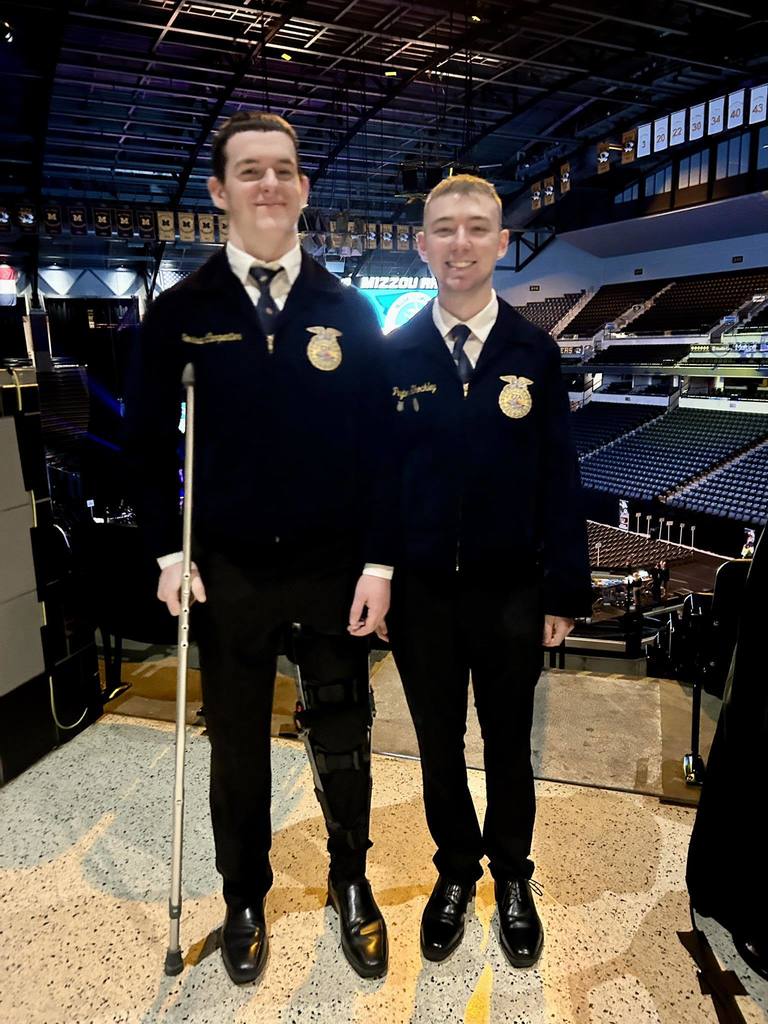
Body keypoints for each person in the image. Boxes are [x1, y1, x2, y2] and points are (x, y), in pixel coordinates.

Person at [124, 111, 393, 985]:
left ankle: (352, 880)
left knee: (345, 736)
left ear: (305, 189)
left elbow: (381, 448)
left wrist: (380, 563)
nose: (269, 184)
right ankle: (243, 893)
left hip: (330, 567)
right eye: (249, 171)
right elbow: (145, 446)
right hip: (228, 568)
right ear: (219, 192)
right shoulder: (180, 313)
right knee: (236, 745)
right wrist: (169, 551)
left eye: (283, 170)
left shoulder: (347, 309)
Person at [380, 175, 592, 968]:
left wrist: (563, 588)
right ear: (422, 244)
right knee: (438, 745)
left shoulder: (534, 353)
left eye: (477, 229)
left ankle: (512, 876)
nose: (460, 243)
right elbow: (377, 481)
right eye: (444, 229)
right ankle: (454, 872)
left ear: (503, 244)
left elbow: (559, 477)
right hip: (423, 595)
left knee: (508, 746)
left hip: (510, 591)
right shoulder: (394, 353)